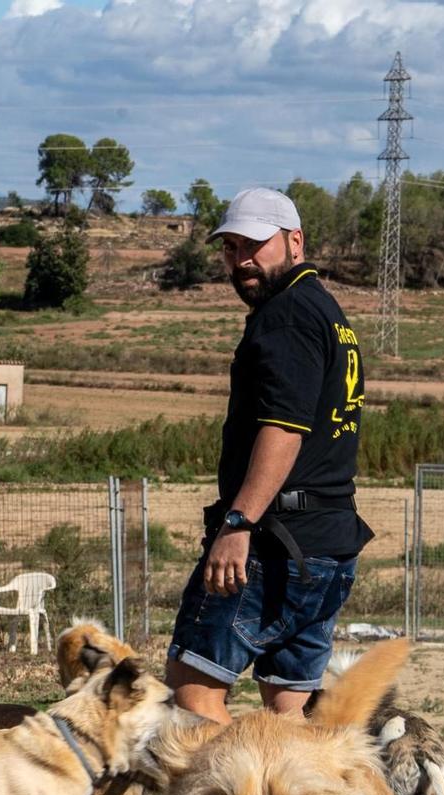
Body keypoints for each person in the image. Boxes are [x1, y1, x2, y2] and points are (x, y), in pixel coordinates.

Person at [165, 187, 371, 725]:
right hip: (326, 543)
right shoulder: (328, 312)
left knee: (194, 695)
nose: (242, 260)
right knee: (287, 713)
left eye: (255, 244)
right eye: (231, 248)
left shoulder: (287, 315)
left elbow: (284, 428)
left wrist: (238, 523)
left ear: (294, 241)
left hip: (272, 543)